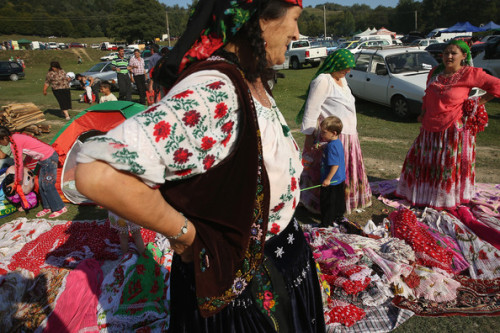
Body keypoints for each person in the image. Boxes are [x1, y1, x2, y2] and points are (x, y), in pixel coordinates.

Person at [75, 0, 325, 332]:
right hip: (240, 290)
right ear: (262, 20)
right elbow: (98, 173)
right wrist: (186, 234)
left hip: (280, 259)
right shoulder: (214, 91)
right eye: (295, 20)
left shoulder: (249, 76)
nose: (297, 33)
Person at [396, 40, 500, 209]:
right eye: (446, 53)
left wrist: (477, 102)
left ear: (464, 56)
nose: (448, 56)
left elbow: (497, 86)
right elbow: (427, 96)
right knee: (424, 163)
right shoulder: (435, 73)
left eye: (453, 53)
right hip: (429, 127)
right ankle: (425, 195)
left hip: (453, 129)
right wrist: (422, 113)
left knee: (446, 166)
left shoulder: (470, 73)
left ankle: (445, 199)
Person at [297, 49, 372, 215]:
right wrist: (309, 140)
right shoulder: (323, 80)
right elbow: (311, 111)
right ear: (335, 64)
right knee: (327, 170)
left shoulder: (342, 80)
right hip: (330, 138)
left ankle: (342, 203)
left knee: (342, 171)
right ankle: (319, 205)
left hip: (348, 136)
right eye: (345, 67)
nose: (348, 71)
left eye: (350, 67)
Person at [0, 126, 67, 218]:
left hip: (49, 158)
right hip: (44, 160)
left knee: (47, 185)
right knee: (40, 184)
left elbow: (18, 163)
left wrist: (17, 182)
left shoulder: (15, 143)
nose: (1, 144)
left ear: (4, 137)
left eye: (0, 142)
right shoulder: (14, 137)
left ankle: (60, 207)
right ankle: (47, 207)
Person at [319, 116, 346, 228]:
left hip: (332, 181)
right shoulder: (337, 143)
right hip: (339, 179)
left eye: (324, 132)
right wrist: (323, 146)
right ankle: (338, 217)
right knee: (338, 201)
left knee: (327, 203)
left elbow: (335, 165)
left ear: (334, 133)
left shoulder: (331, 147)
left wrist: (328, 179)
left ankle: (325, 223)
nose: (321, 134)